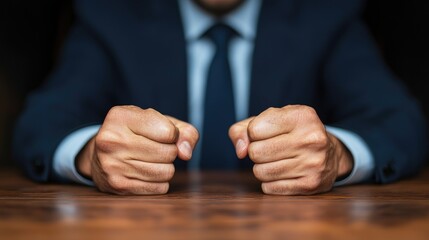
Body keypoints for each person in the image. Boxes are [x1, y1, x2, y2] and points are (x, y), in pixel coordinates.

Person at [13, 0, 427, 195]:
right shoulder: (111, 16)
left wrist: (338, 156)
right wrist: (92, 157)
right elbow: (42, 123)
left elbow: (400, 122)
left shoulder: (326, 16)